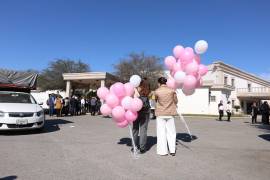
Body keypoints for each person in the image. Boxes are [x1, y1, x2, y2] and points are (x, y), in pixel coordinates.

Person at [155, 77, 177, 156]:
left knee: (161, 133)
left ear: (159, 83)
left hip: (160, 114)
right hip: (170, 113)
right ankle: (172, 150)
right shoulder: (172, 91)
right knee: (171, 132)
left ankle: (163, 151)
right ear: (166, 83)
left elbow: (155, 100)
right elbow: (176, 101)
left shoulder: (157, 91)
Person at [132, 78, 151, 154]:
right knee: (143, 129)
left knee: (135, 129)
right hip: (145, 111)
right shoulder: (147, 90)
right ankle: (142, 148)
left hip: (136, 112)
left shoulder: (137, 89)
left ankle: (134, 146)